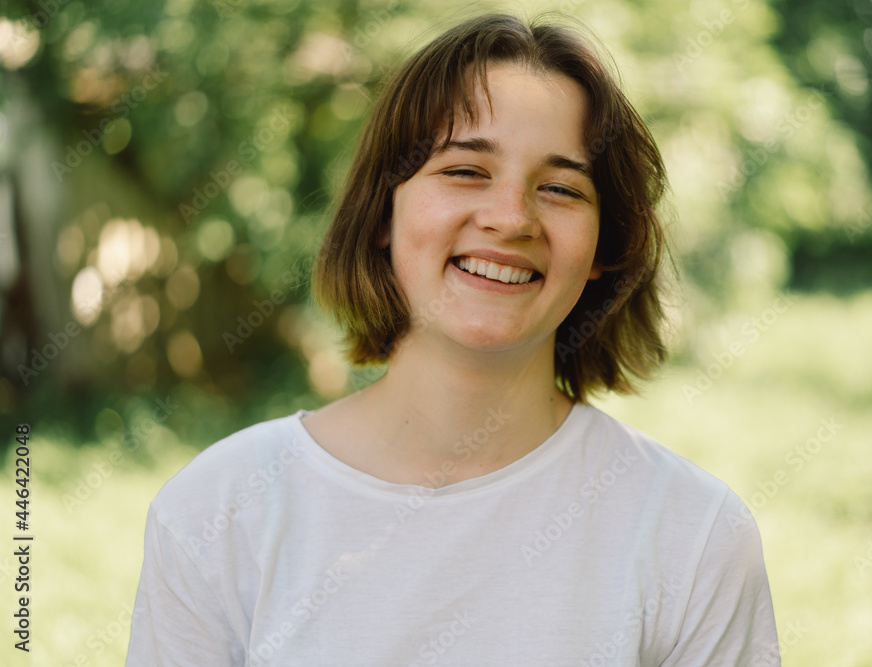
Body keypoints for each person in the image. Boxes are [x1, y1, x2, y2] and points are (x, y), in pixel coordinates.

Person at [126, 12, 780, 666]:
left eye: (560, 187)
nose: (511, 218)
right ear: (382, 212)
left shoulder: (695, 538)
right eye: (465, 170)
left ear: (604, 250)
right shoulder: (215, 514)